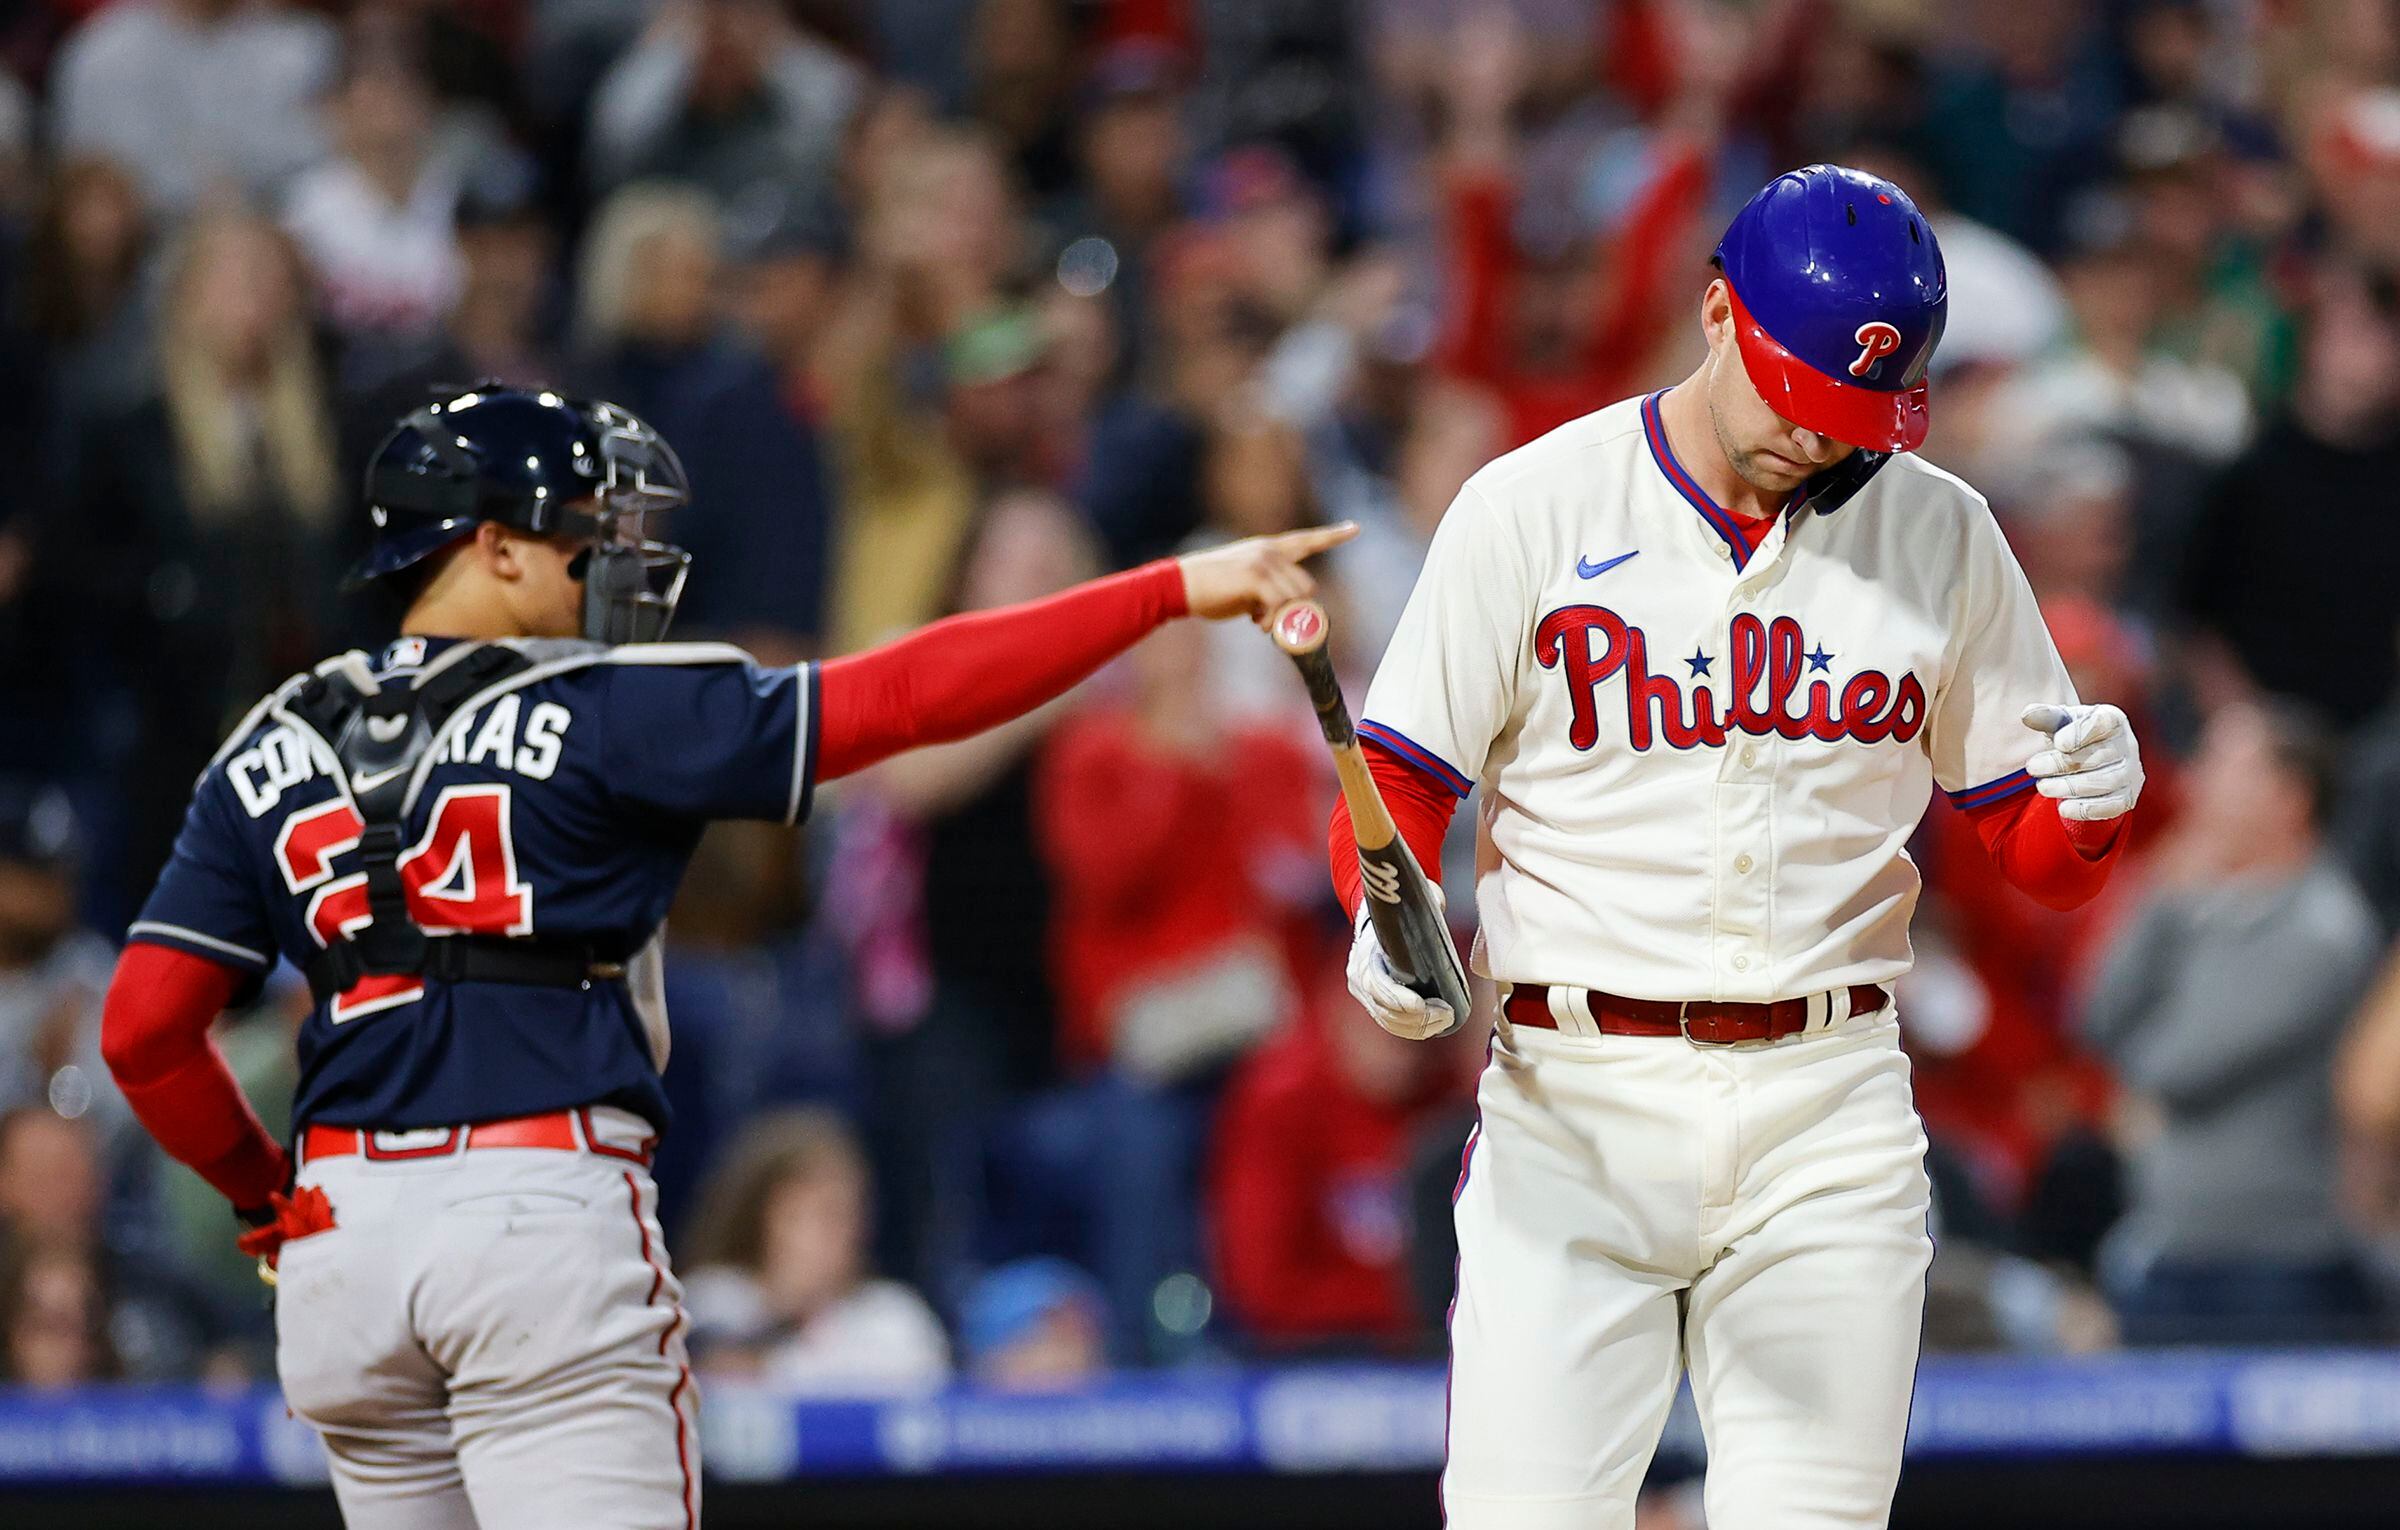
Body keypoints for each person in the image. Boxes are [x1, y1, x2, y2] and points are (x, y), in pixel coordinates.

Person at [96, 382, 1351, 1529]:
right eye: (582, 527)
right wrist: (1171, 591)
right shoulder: (598, 703)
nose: (610, 555)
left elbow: (144, 1032)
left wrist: (268, 1202)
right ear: (490, 547)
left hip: (346, 1252)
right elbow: (903, 699)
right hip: (536, 1213)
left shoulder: (271, 737)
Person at [1331, 166, 2146, 1528]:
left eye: (1854, 414)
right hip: (1573, 1094)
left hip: (1826, 1105)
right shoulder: (1532, 504)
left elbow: (2035, 845)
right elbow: (1403, 775)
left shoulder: (1942, 530)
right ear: (1716, 312)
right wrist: (1386, 915)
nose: (1819, 441)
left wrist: (2096, 804)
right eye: (1800, 398)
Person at [2079, 699, 2385, 1344]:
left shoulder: (2321, 930)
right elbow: (2097, 1016)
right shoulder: (2198, 909)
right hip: (2174, 1248)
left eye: (2225, 764)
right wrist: (2160, 894)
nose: (2197, 782)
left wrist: (2132, 1078)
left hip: (2277, 1264)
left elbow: (2177, 1068)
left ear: (2290, 796)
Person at [677, 1109, 944, 1393]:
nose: (840, 1232)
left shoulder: (894, 1319)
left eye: (849, 1213)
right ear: (762, 1218)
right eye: (815, 1213)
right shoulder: (713, 1300)